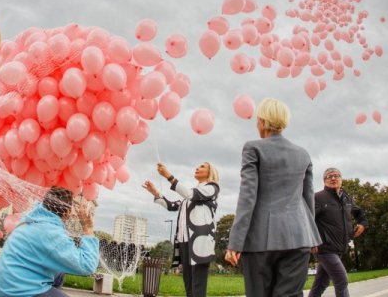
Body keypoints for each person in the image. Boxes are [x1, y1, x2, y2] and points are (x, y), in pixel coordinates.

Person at [225, 97, 321, 297]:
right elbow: (307, 197)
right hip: (299, 237)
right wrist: (312, 236)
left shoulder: (253, 148)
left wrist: (235, 242)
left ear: (262, 121)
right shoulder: (304, 154)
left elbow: (247, 196)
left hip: (260, 240)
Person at [0, 187, 100, 297]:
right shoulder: (51, 232)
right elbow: (87, 265)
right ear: (66, 211)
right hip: (17, 291)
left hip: (3, 283)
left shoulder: (33, 218)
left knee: (59, 273)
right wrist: (88, 229)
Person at [142, 161, 220, 297]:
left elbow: (190, 194)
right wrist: (155, 193)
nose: (197, 167)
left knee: (198, 284)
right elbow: (172, 205)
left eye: (202, 166)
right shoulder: (190, 196)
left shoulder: (212, 188)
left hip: (199, 242)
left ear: (210, 173)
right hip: (184, 241)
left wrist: (168, 176)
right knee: (188, 282)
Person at [308, 167, 369, 297]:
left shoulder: (346, 198)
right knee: (341, 280)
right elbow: (307, 219)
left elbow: (359, 212)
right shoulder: (318, 198)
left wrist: (363, 224)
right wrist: (311, 241)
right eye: (329, 176)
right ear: (324, 181)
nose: (333, 178)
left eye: (336, 176)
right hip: (324, 248)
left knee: (320, 285)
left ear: (341, 179)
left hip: (340, 249)